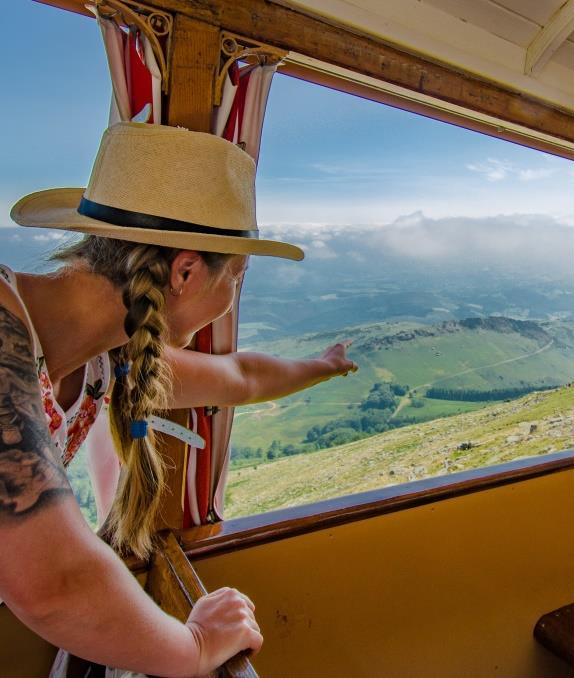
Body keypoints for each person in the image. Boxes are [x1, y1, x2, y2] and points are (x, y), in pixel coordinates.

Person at [1, 121, 357, 676]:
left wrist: (323, 366)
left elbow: (239, 376)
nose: (232, 295)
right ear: (187, 271)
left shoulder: (107, 353)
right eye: (236, 277)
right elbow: (51, 584)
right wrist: (195, 645)